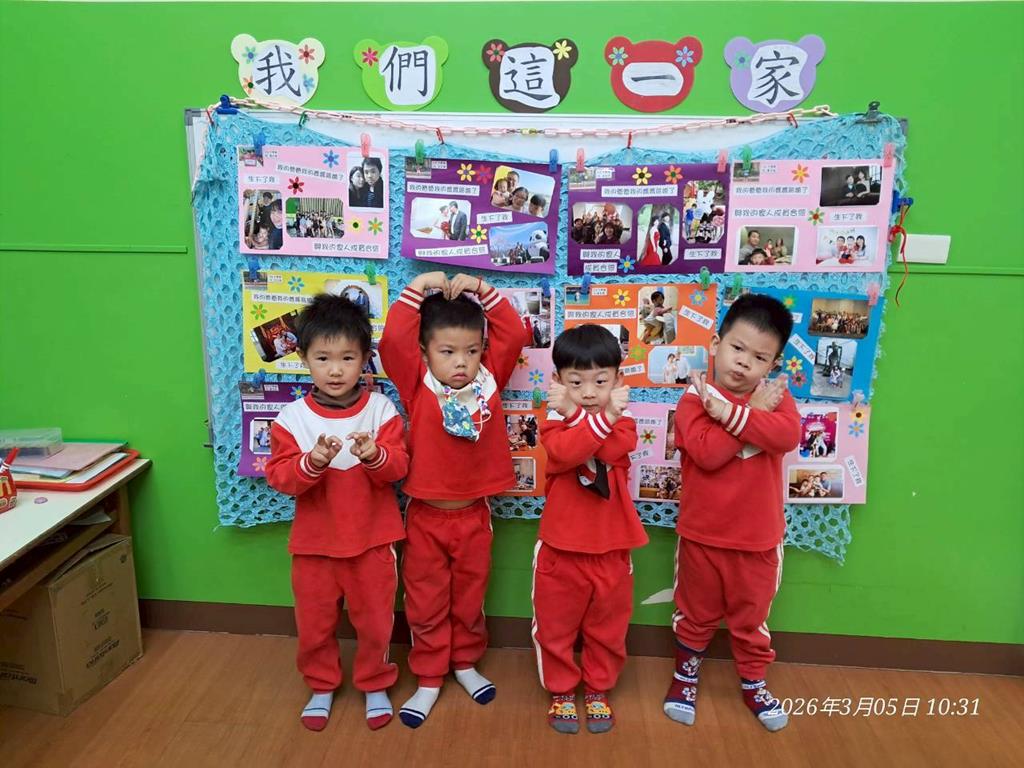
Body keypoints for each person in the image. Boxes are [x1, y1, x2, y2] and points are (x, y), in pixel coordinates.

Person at [379, 271, 531, 729]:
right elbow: (392, 341)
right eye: (447, 351)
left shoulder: (489, 379)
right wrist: (420, 285)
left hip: (474, 516)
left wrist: (482, 289)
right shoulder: (417, 383)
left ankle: (464, 662)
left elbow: (514, 332)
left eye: (471, 350)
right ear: (425, 351)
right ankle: (429, 676)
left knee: (468, 598)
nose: (461, 362)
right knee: (425, 601)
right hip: (425, 516)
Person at [265, 294, 409, 733]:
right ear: (303, 358)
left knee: (376, 622)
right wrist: (312, 462)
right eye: (322, 358)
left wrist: (374, 454)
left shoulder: (382, 410)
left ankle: (375, 683)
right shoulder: (290, 419)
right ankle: (322, 685)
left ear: (365, 360)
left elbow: (399, 469)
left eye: (347, 358)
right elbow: (280, 477)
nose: (335, 370)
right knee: (314, 624)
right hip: (314, 546)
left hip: (373, 542)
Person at [664, 293, 800, 733]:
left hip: (758, 540)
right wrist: (750, 414)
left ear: (773, 365)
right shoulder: (695, 397)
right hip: (702, 535)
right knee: (694, 613)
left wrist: (732, 414)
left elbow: (787, 436)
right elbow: (706, 454)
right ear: (716, 343)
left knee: (750, 620)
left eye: (759, 357)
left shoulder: (776, 396)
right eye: (737, 348)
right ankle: (685, 676)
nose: (744, 363)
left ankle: (753, 682)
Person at [534, 325, 647, 734]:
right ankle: (562, 690)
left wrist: (593, 416)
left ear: (618, 380)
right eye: (575, 382)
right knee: (555, 628)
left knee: (608, 628)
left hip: (612, 547)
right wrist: (595, 417)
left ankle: (598, 688)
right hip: (560, 548)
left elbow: (615, 449)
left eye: (600, 381)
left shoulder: (624, 420)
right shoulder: (552, 419)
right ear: (557, 381)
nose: (588, 392)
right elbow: (567, 451)